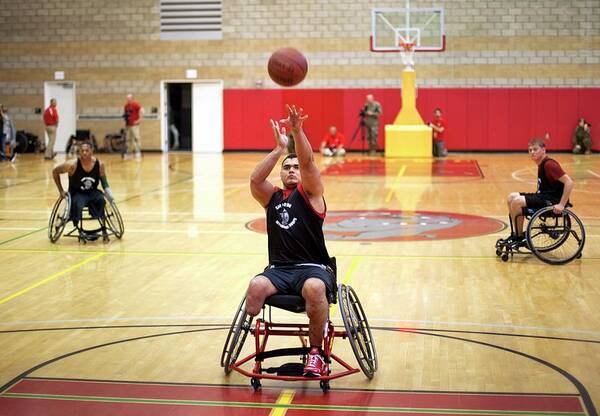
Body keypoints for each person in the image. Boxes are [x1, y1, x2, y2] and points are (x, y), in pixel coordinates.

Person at [245, 105, 335, 377]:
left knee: (315, 289)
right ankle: (253, 342)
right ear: (281, 174)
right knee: (255, 288)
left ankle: (316, 354)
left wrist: (297, 131)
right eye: (287, 167)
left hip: (313, 268)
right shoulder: (271, 197)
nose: (293, 170)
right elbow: (255, 179)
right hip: (279, 271)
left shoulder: (311, 194)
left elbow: (309, 164)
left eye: (296, 167)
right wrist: (278, 149)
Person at [499, 138, 574, 247]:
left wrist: (562, 204)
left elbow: (569, 182)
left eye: (535, 149)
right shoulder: (541, 164)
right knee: (511, 197)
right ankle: (515, 234)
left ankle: (520, 238)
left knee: (517, 202)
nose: (532, 152)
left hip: (552, 200)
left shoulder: (549, 165)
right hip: (543, 196)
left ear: (543, 150)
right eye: (530, 150)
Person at [52, 142, 114, 241]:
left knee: (101, 200)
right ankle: (75, 225)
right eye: (82, 151)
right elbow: (55, 172)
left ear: (92, 152)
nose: (84, 153)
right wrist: (61, 190)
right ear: (79, 152)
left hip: (92, 192)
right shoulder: (72, 165)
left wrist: (108, 190)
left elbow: (104, 181)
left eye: (87, 150)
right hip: (77, 193)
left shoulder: (99, 165)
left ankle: (104, 229)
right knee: (78, 203)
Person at [123, 93, 144, 160]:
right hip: (128, 125)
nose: (128, 100)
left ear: (132, 98)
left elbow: (142, 111)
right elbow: (126, 114)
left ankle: (138, 152)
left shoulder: (136, 104)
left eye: (129, 98)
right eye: (127, 99)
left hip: (134, 125)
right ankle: (129, 152)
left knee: (136, 138)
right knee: (128, 139)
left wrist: (139, 120)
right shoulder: (126, 106)